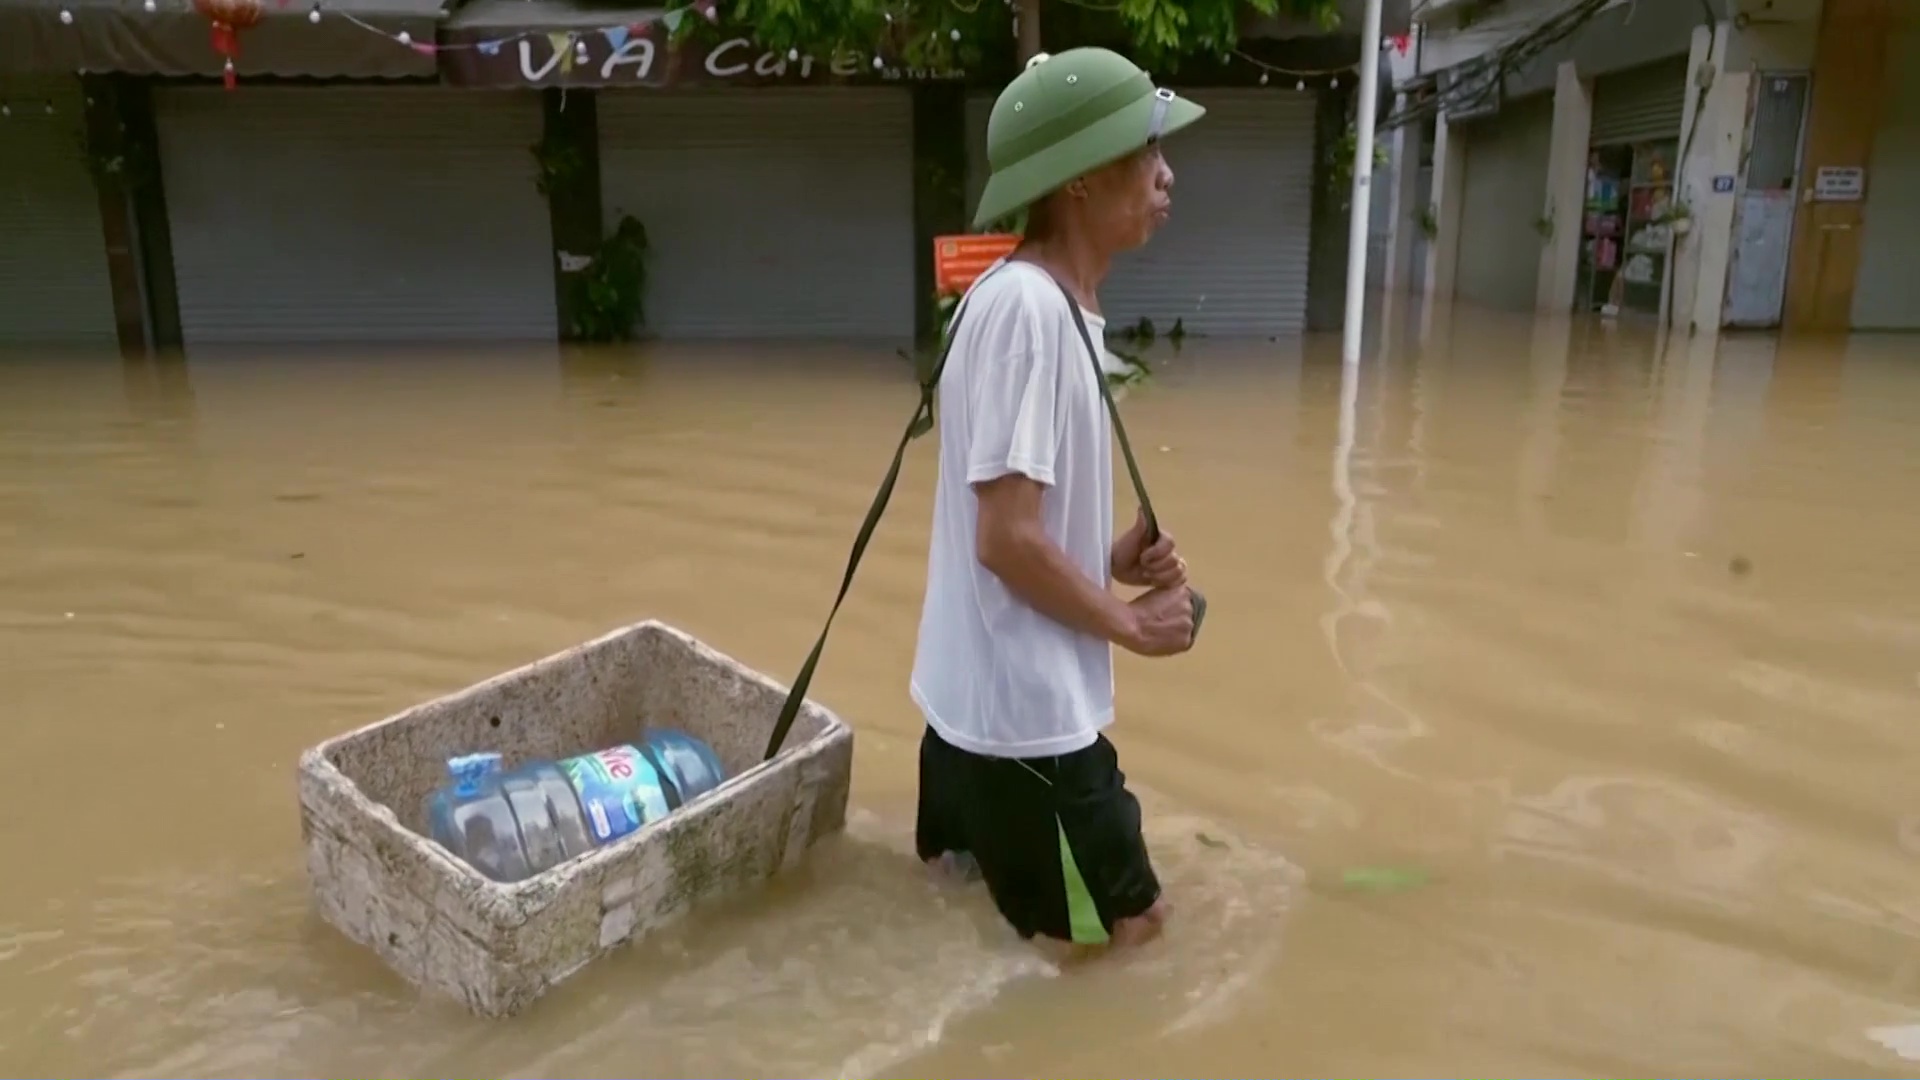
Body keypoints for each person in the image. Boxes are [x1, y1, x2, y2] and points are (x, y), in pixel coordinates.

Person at [909, 47, 1206, 956]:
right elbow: (1004, 539)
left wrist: (1108, 553)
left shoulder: (1030, 302)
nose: (1167, 174)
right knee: (1138, 944)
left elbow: (1009, 522)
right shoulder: (1033, 314)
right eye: (1145, 150)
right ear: (1079, 180)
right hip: (1030, 731)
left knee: (972, 933)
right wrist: (1128, 620)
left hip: (975, 709)